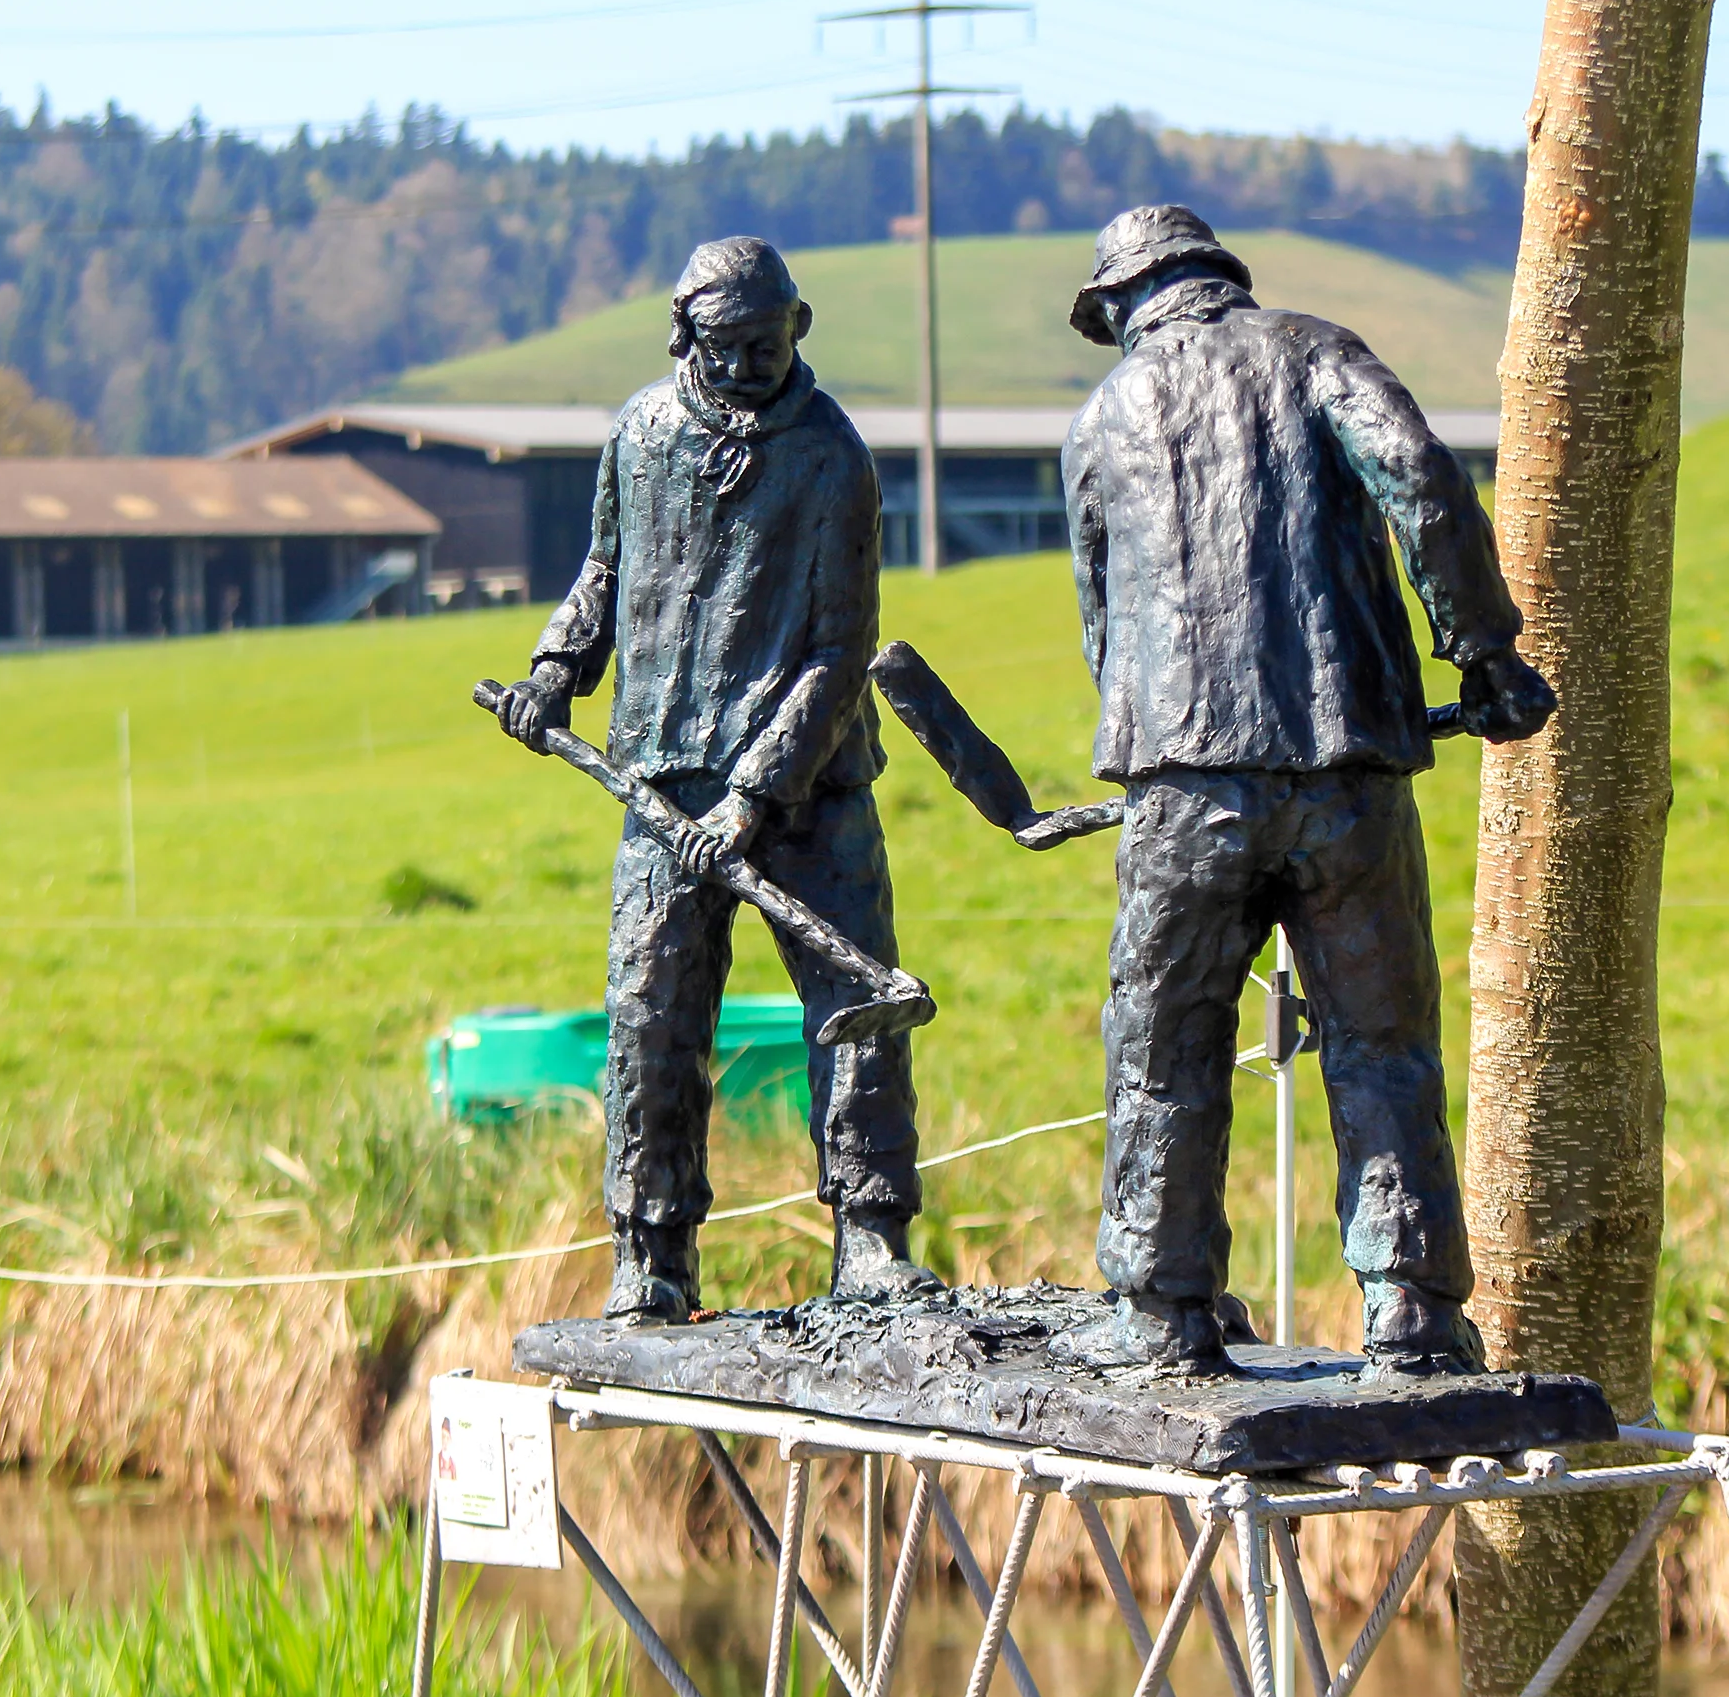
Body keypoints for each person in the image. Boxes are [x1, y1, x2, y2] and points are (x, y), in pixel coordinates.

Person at [1054, 205, 1556, 1375]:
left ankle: (1161, 1302)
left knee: (1160, 1045)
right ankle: (1411, 1308)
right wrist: (1480, 651)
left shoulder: (1099, 420)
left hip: (1180, 783)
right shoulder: (1313, 350)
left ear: (1119, 308)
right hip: (1343, 769)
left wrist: (1164, 736)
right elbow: (1421, 483)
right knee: (1379, 1040)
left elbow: (1101, 625)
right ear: (1218, 280)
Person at [493, 236, 939, 1325]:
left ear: (798, 328)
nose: (742, 365)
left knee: (855, 1000)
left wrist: (755, 795)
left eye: (762, 344)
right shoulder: (640, 432)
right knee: (651, 1014)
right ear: (684, 337)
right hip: (660, 777)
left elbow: (842, 649)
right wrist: (556, 667)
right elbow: (606, 567)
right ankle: (651, 1254)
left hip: (807, 783)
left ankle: (870, 1236)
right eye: (720, 346)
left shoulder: (833, 457)